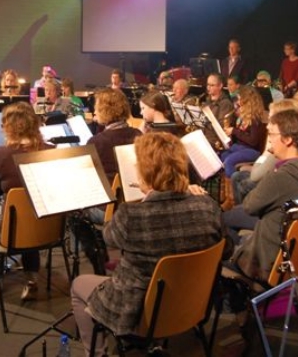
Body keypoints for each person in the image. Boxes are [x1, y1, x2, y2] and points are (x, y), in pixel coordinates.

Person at [70, 132, 227, 357]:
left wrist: (143, 201)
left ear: (146, 172)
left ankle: (97, 353)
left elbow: (108, 237)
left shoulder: (131, 215)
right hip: (192, 306)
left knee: (78, 284)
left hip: (139, 314)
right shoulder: (208, 207)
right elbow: (226, 249)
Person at [230, 109, 298, 281]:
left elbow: (250, 206)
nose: (269, 140)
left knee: (222, 223)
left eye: (271, 134)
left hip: (267, 263)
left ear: (288, 139)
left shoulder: (281, 177)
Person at [0, 102, 54, 301]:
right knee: (31, 212)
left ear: (9, 126)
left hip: (13, 229)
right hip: (48, 227)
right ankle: (32, 277)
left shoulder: (0, 153)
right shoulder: (51, 150)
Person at [87, 88, 142, 184]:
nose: (94, 112)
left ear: (106, 111)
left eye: (97, 108)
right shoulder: (138, 134)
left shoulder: (96, 142)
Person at [221, 85, 267, 176]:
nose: (238, 102)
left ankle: (234, 181)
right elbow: (238, 137)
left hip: (251, 151)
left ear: (247, 101)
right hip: (239, 147)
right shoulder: (241, 117)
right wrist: (230, 134)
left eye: (239, 99)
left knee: (229, 161)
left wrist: (234, 131)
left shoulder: (255, 119)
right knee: (223, 155)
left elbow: (253, 141)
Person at [202, 73, 234, 149]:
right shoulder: (207, 101)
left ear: (220, 86)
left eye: (212, 85)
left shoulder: (225, 103)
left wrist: (203, 121)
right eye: (208, 85)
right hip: (204, 136)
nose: (208, 88)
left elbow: (220, 127)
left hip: (215, 141)